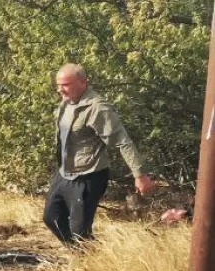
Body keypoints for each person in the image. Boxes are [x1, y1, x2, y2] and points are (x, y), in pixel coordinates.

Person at [45, 64, 155, 244]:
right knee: (52, 217)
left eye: (65, 85)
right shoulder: (66, 103)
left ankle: (88, 262)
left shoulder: (98, 108)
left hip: (89, 176)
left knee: (79, 231)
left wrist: (140, 175)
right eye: (58, 85)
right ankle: (80, 254)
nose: (60, 90)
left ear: (83, 82)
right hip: (65, 173)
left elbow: (122, 141)